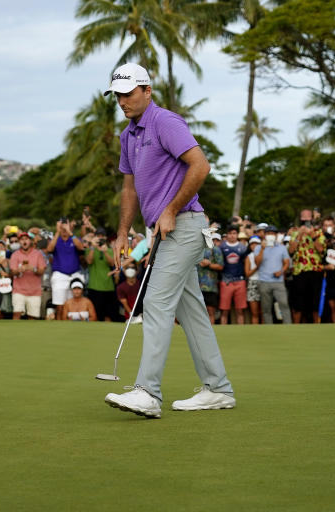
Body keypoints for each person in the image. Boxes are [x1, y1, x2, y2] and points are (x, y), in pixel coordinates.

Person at [103, 63, 234, 419]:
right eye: (117, 95)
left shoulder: (166, 122)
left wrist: (172, 208)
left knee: (157, 303)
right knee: (191, 313)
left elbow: (200, 166)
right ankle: (218, 388)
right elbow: (130, 188)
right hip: (163, 231)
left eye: (128, 93)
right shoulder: (127, 136)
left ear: (147, 91)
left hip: (185, 225)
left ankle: (148, 392)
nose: (122, 101)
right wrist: (122, 232)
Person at [288, 210, 326, 324]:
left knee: (315, 301)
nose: (306, 222)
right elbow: (290, 251)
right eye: (303, 220)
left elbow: (321, 250)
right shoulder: (295, 233)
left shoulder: (318, 232)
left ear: (312, 219)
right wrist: (299, 235)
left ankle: (316, 325)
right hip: (300, 270)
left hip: (315, 269)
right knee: (298, 302)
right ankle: (297, 326)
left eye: (308, 219)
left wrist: (312, 236)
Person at [46, 218, 85, 317]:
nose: (63, 227)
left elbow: (81, 247)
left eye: (65, 224)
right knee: (60, 306)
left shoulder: (74, 238)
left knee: (73, 304)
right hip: (60, 275)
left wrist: (69, 231)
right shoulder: (56, 239)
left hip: (74, 275)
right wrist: (57, 231)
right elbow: (49, 249)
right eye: (61, 224)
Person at [253, 225, 292, 324]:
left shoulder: (282, 247)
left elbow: (287, 262)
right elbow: (257, 263)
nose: (271, 235)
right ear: (265, 235)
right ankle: (268, 329)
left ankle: (288, 327)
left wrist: (281, 271)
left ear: (276, 235)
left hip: (278, 282)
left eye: (273, 233)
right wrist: (262, 249)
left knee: (284, 305)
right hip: (264, 281)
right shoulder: (258, 247)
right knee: (266, 308)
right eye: (269, 233)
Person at [9, 230, 45, 319]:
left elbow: (41, 271)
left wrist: (33, 269)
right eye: (22, 239)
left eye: (26, 239)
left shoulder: (38, 254)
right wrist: (19, 270)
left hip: (35, 291)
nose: (24, 241)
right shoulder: (15, 255)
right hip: (18, 290)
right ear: (19, 242)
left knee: (32, 318)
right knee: (16, 314)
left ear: (30, 241)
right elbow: (12, 272)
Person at [85, 228, 119, 321]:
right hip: (94, 286)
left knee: (108, 315)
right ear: (94, 237)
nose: (100, 238)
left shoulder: (110, 250)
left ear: (105, 237)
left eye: (102, 236)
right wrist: (93, 247)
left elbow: (112, 264)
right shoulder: (90, 249)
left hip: (108, 287)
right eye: (98, 236)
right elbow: (89, 261)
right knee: (96, 314)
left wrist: (105, 252)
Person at [217, 226, 248, 325]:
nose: (232, 235)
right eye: (230, 233)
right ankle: (223, 332)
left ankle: (242, 332)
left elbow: (245, 263)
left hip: (240, 280)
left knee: (240, 310)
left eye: (234, 233)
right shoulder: (221, 247)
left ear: (237, 234)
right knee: (224, 310)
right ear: (227, 235)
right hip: (226, 281)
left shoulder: (243, 247)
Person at [197, 232, 223, 323]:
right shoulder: (195, 249)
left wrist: (209, 264)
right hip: (196, 285)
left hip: (210, 286)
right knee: (197, 312)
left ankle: (211, 334)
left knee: (210, 311)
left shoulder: (215, 249)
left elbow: (220, 266)